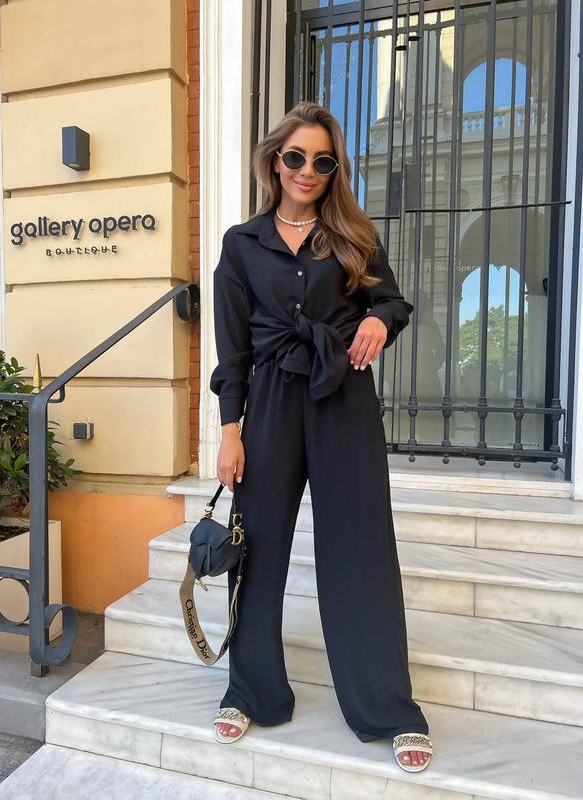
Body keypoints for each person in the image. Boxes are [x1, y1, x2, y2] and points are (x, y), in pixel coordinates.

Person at [209, 101, 433, 773]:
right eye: (296, 156)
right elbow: (232, 349)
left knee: (360, 550)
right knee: (257, 548)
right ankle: (251, 690)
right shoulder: (241, 244)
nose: (308, 170)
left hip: (343, 397)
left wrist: (379, 322)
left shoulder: (352, 235)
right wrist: (229, 431)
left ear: (335, 170)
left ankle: (387, 707)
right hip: (271, 403)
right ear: (274, 161)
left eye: (323, 160)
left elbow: (392, 300)